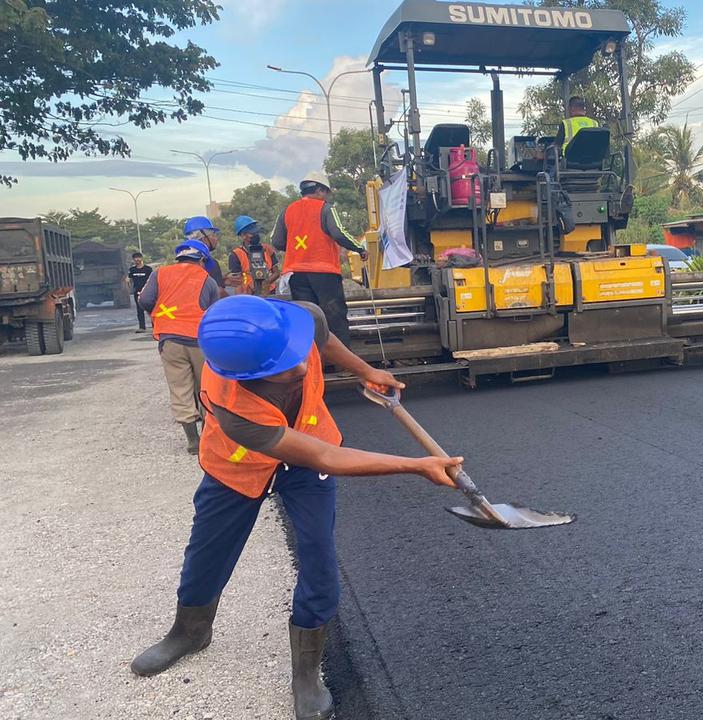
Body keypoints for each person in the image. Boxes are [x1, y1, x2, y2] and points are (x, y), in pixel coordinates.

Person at [128, 294, 463, 720]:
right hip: (239, 463)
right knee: (207, 551)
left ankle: (306, 673)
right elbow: (325, 458)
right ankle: (189, 631)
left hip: (310, 442)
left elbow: (322, 339)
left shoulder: (298, 320)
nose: (302, 367)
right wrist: (416, 466)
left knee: (318, 557)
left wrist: (366, 370)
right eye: (285, 367)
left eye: (295, 354)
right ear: (248, 377)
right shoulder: (236, 410)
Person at [138, 241, 222, 453]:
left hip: (170, 340)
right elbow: (214, 312)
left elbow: (145, 300)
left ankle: (192, 441)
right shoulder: (207, 280)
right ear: (201, 259)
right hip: (200, 341)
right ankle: (208, 437)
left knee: (179, 388)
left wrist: (161, 314)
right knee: (207, 387)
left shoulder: (160, 273)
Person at [272, 172, 367, 346]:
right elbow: (338, 233)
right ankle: (343, 366)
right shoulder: (326, 209)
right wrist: (359, 248)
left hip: (296, 274)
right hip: (325, 273)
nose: (327, 197)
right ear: (320, 190)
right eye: (326, 193)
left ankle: (317, 365)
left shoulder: (287, 211)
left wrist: (297, 248)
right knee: (334, 316)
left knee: (308, 319)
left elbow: (276, 241)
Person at [227, 215, 280, 296]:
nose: (256, 235)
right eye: (252, 233)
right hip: (248, 295)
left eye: (256, 232)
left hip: (269, 293)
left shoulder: (267, 249)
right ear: (243, 235)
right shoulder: (236, 255)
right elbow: (236, 280)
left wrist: (267, 282)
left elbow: (276, 272)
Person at [183, 216, 227, 294]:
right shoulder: (209, 262)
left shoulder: (182, 260)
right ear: (204, 238)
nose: (216, 239)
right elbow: (219, 293)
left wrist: (223, 278)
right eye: (213, 235)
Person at [127, 252, 153, 333]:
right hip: (137, 292)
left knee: (151, 309)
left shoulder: (148, 269)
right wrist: (127, 281)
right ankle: (142, 327)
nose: (137, 259)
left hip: (148, 292)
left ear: (141, 258)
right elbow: (128, 279)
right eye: (135, 258)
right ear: (133, 260)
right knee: (139, 309)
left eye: (138, 257)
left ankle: (155, 326)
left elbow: (153, 280)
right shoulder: (132, 270)